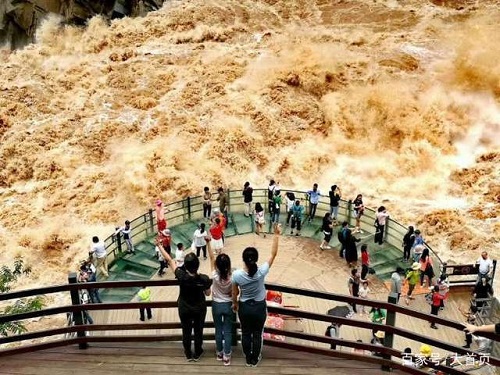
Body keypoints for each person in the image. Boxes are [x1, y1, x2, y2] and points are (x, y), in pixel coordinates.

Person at [232, 224, 281, 367]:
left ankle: (248, 357)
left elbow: (235, 293)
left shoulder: (237, 275)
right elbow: (273, 254)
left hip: (245, 308)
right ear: (256, 259)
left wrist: (235, 304)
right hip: (259, 307)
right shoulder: (261, 272)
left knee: (246, 333)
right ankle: (255, 358)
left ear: (243, 260)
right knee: (257, 333)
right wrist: (276, 234)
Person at [156, 240, 212, 362]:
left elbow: (170, 261)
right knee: (198, 330)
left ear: (185, 266)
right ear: (197, 265)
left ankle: (188, 353)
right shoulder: (204, 279)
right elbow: (208, 293)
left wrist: (160, 246)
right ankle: (197, 352)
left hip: (184, 308)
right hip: (199, 308)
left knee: (186, 331)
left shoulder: (181, 276)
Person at [207, 239, 233, 366]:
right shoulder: (233, 277)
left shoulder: (214, 275)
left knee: (218, 329)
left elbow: (211, 257)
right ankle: (227, 356)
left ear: (217, 265)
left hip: (216, 304)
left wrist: (208, 243)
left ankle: (219, 353)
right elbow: (235, 292)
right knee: (227, 331)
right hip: (228, 305)